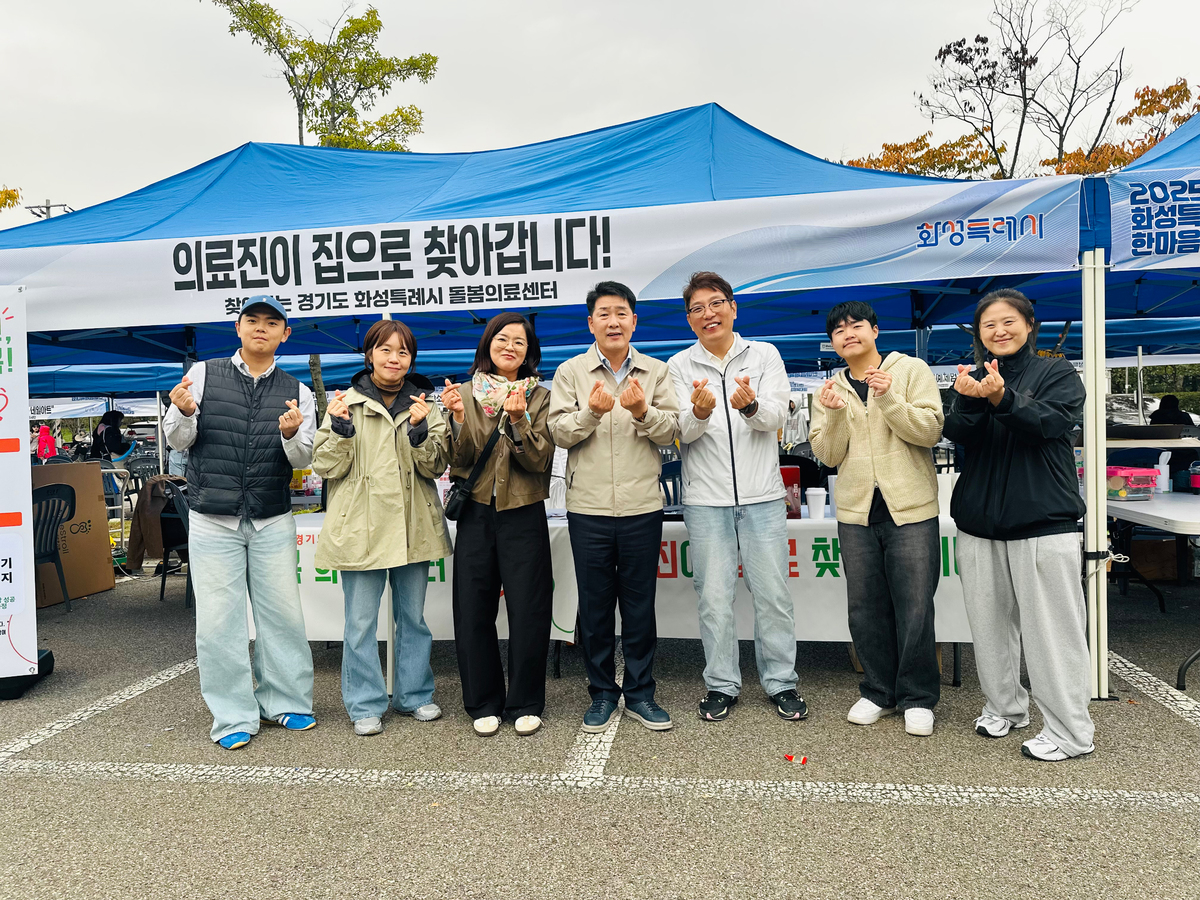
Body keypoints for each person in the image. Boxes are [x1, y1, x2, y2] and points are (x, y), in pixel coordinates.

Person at [944, 288, 1094, 762]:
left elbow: (1050, 424)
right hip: (979, 521)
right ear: (979, 334)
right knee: (988, 627)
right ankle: (1005, 708)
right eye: (989, 325)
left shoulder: (1057, 373)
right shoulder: (968, 378)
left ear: (1030, 325)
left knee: (1052, 632)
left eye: (1009, 321)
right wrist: (969, 402)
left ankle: (1071, 732)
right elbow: (958, 435)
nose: (999, 331)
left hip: (1043, 521)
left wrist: (1004, 397)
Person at [164, 295, 317, 751]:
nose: (261, 329)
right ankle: (232, 715)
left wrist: (291, 434)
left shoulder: (298, 389)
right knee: (218, 622)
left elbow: (306, 457)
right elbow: (177, 440)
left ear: (285, 334)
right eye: (253, 320)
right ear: (238, 327)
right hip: (213, 517)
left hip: (271, 517)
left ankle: (286, 701)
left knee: (283, 616)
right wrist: (186, 411)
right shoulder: (204, 374)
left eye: (273, 323)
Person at [667, 271, 806, 723]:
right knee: (713, 596)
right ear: (689, 320)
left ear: (733, 308)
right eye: (697, 308)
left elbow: (773, 417)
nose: (708, 314)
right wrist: (701, 413)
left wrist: (747, 405)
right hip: (705, 501)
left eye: (716, 303)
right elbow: (678, 432)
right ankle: (721, 684)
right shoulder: (678, 366)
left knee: (773, 595)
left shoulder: (764, 354)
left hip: (763, 497)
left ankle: (782, 682)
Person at [549, 281, 680, 734]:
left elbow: (671, 434)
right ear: (591, 323)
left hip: (643, 507)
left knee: (641, 606)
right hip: (588, 509)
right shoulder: (571, 372)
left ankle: (642, 693)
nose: (613, 321)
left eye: (621, 313)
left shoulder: (656, 372)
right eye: (604, 313)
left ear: (634, 321)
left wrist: (643, 411)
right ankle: (603, 693)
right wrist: (591, 413)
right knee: (597, 606)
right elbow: (559, 433)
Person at [809, 301, 944, 737]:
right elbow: (828, 455)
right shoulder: (829, 390)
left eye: (857, 326)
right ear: (832, 343)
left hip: (911, 508)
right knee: (865, 608)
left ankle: (919, 697)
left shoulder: (911, 370)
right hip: (855, 511)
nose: (848, 334)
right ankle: (878, 691)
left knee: (916, 606)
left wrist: (887, 398)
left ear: (876, 330)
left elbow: (929, 431)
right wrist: (831, 414)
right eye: (839, 330)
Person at [312, 319, 452, 737]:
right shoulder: (344, 404)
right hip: (361, 526)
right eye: (386, 350)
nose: (395, 359)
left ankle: (414, 694)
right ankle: (365, 702)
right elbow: (324, 466)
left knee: (413, 618)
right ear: (369, 354)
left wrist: (420, 431)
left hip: (413, 526)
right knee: (359, 622)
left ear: (412, 359)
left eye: (403, 352)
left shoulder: (425, 405)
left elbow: (436, 465)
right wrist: (338, 430)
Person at [441, 311, 554, 738]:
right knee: (473, 607)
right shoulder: (464, 392)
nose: (510, 347)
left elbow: (539, 459)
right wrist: (455, 417)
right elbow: (462, 458)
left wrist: (521, 418)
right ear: (487, 344)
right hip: (475, 511)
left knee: (529, 607)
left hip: (524, 508)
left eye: (519, 342)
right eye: (502, 339)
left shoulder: (540, 395)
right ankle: (482, 701)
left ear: (529, 352)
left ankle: (526, 700)